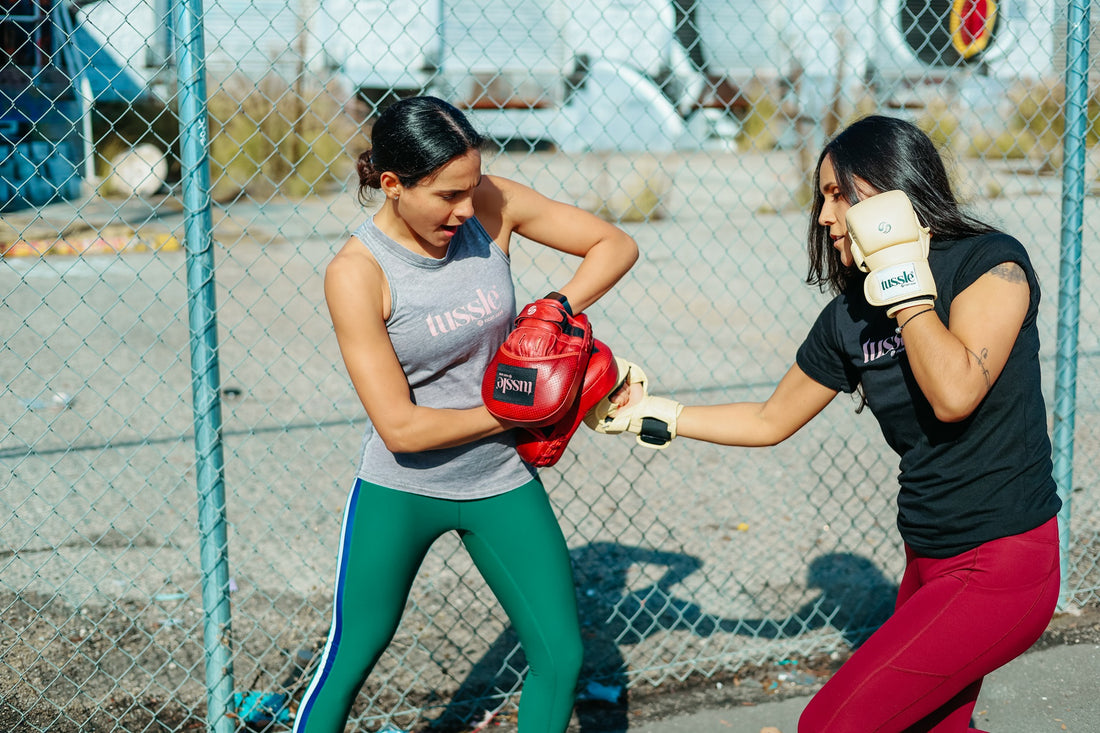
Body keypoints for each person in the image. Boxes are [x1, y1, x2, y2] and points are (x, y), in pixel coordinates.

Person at [596, 115, 1061, 733]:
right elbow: (769, 419)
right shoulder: (848, 318)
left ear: (895, 193)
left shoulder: (988, 265)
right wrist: (653, 415)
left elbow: (955, 393)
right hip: (926, 556)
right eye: (822, 197)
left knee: (831, 726)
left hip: (1003, 561)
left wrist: (905, 287)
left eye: (840, 195)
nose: (823, 214)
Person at [293, 95, 638, 733]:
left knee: (561, 657)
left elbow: (613, 245)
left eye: (472, 187)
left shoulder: (487, 203)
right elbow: (401, 427)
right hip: (404, 488)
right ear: (392, 185)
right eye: (448, 194)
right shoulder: (357, 272)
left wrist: (554, 310)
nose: (464, 208)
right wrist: (526, 408)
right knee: (351, 656)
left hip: (499, 480)